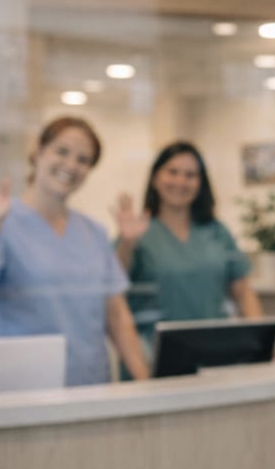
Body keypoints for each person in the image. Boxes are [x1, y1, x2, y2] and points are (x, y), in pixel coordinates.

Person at [0, 116, 148, 386]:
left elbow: (116, 314)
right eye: (62, 151)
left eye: (83, 160)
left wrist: (145, 382)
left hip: (91, 383)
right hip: (24, 386)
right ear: (38, 152)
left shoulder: (94, 232)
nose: (71, 165)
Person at [111, 141, 263, 362]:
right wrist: (127, 243)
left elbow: (243, 290)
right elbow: (113, 286)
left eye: (190, 175)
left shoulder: (216, 231)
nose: (180, 181)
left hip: (216, 353)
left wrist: (261, 344)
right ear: (155, 178)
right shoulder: (137, 233)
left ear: (201, 183)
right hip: (153, 358)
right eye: (172, 172)